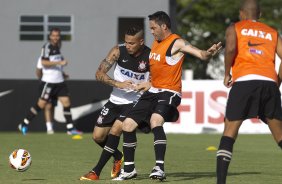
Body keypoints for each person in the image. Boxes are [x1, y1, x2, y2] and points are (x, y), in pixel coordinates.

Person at [114, 11, 221, 181]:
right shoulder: (156, 42)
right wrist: (148, 84)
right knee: (127, 125)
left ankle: (159, 168)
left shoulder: (177, 42)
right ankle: (129, 169)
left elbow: (201, 54)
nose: (151, 31)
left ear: (164, 26)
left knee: (155, 121)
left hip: (170, 91)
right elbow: (157, 71)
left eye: (153, 27)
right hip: (153, 91)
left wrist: (209, 52)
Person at [216, 0, 282, 183]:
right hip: (269, 84)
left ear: (241, 13)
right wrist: (276, 81)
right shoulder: (272, 32)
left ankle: (220, 182)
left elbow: (230, 49)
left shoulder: (235, 27)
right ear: (259, 15)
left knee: (230, 131)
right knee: (280, 136)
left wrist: (227, 73)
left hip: (244, 82)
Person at [80, 26, 151, 181]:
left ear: (141, 41)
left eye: (132, 43)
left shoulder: (151, 56)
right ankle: (118, 155)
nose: (128, 46)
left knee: (115, 131)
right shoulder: (117, 51)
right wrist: (118, 84)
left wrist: (146, 86)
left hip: (135, 103)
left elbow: (157, 80)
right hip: (114, 101)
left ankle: (95, 172)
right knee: (98, 137)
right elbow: (99, 74)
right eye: (126, 42)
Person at [18, 27, 82, 135]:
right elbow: (44, 62)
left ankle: (70, 129)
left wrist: (62, 73)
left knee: (66, 102)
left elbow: (55, 63)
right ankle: (24, 124)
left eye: (57, 35)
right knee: (41, 105)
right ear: (50, 36)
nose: (55, 37)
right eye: (53, 35)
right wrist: (60, 63)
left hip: (60, 82)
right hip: (48, 82)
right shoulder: (47, 46)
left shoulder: (57, 47)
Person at [36, 57, 55, 134]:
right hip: (46, 84)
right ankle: (49, 128)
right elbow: (38, 71)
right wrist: (43, 79)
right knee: (45, 105)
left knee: (52, 105)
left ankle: (51, 127)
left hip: (56, 84)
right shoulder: (42, 58)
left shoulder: (57, 56)